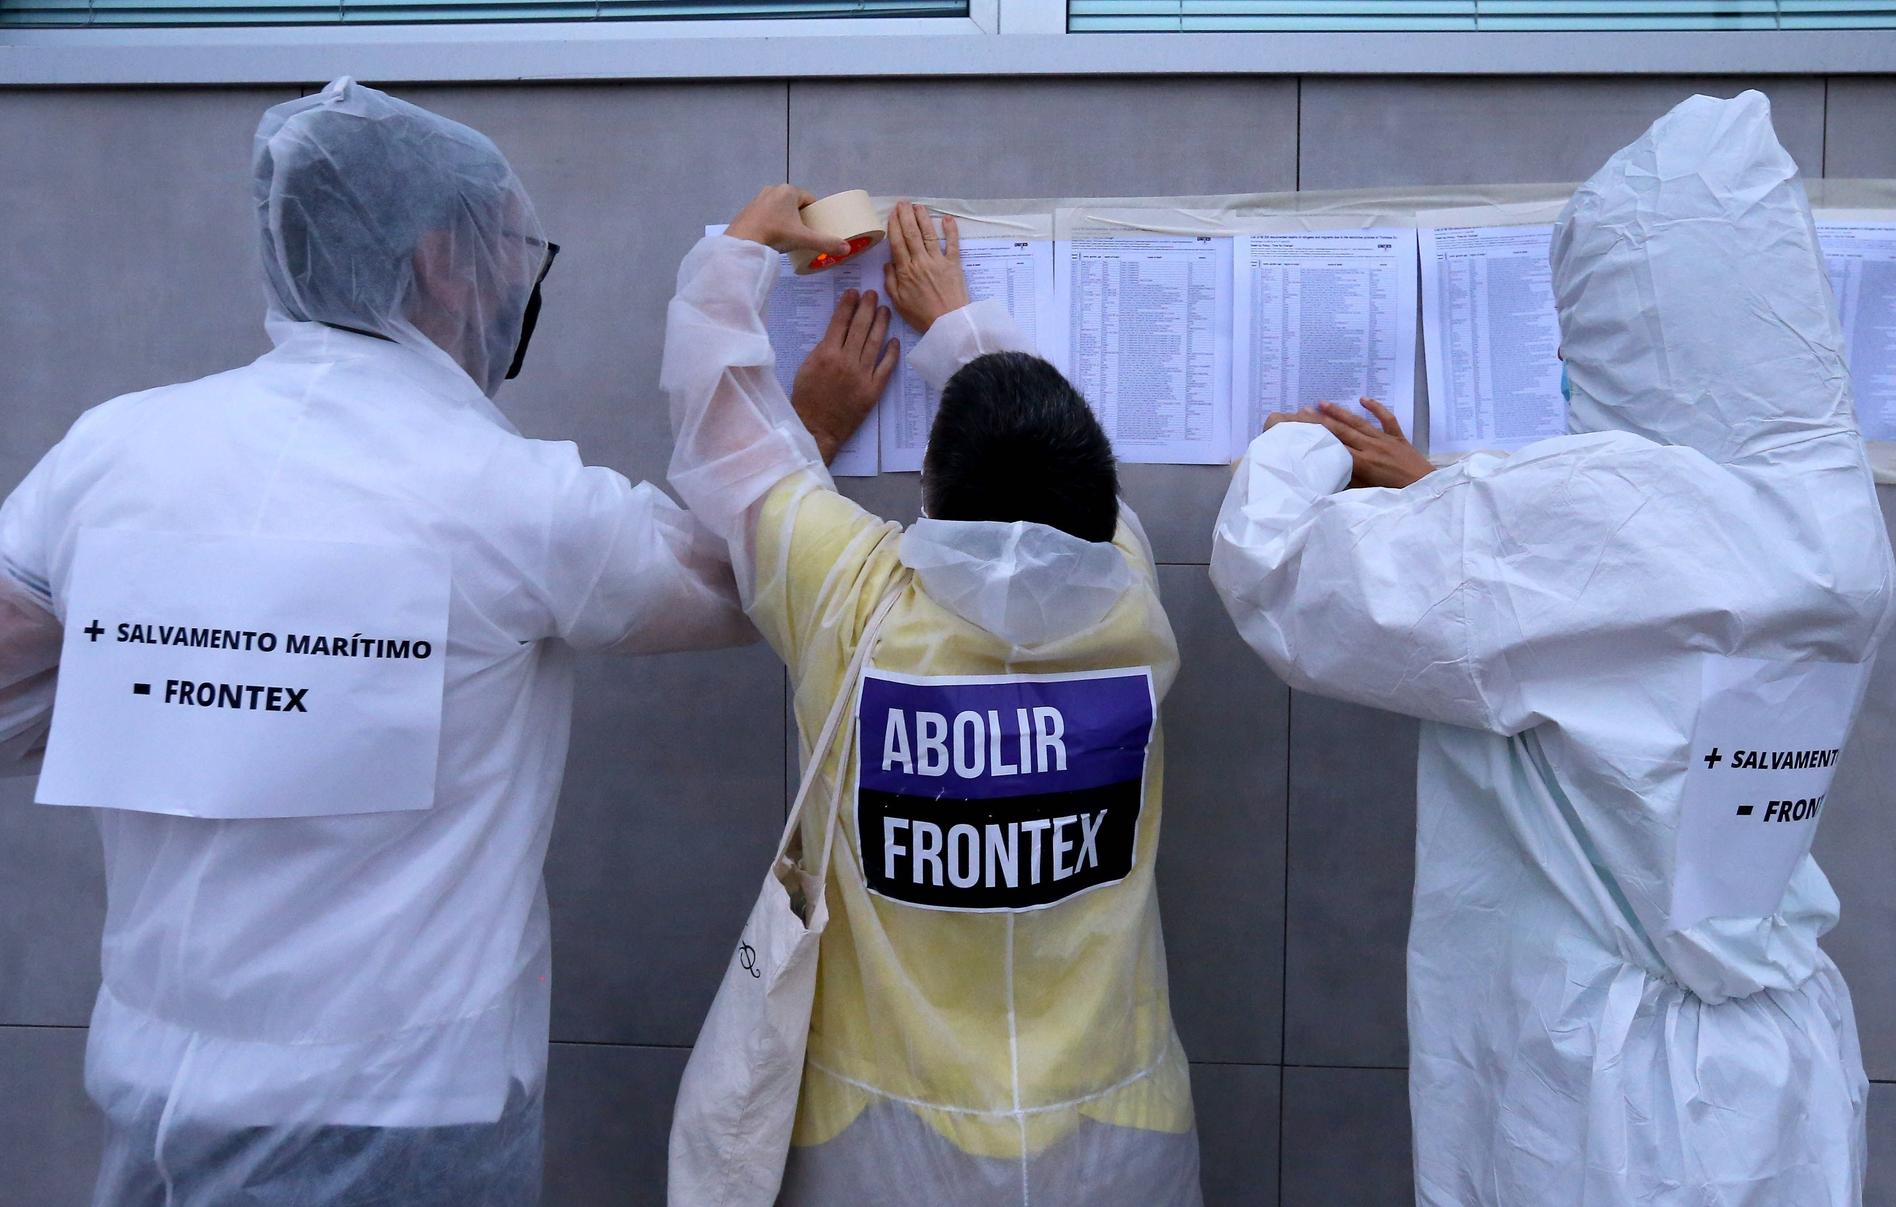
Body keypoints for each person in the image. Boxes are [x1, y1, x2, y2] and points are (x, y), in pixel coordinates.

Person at [0, 77, 758, 1204]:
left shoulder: (113, 451)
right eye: (514, 249)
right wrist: (748, 324)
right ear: (446, 261)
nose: (518, 282)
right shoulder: (507, 495)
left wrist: (189, 674)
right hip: (402, 1115)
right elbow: (746, 574)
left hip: (158, 1093)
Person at [1212, 91, 1896, 1204]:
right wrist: (1448, 502)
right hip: (1778, 1076)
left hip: (1610, 1101)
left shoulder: (1609, 511)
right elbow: (1628, 637)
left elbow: (1280, 579)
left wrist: (1290, 454)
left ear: (1634, 316)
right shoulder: (1828, 515)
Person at [661, 192, 1202, 1205]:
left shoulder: (850, 596)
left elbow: (724, 439)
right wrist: (959, 322)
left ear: (928, 492)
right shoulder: (1129, 588)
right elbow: (1072, 484)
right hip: (1116, 1135)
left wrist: (739, 255)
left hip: (885, 1144)